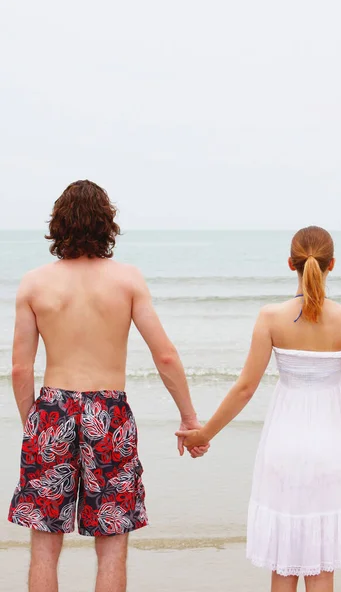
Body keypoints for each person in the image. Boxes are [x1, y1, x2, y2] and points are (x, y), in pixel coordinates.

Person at [8, 180, 207, 592]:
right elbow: (165, 356)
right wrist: (189, 418)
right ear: (107, 226)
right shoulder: (127, 281)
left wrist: (35, 422)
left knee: (45, 545)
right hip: (109, 413)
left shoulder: (34, 283)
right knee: (112, 544)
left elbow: (20, 369)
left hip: (52, 410)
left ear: (58, 225)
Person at [177, 226, 341, 592]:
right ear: (332, 265)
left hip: (282, 447)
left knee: (284, 566)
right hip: (332, 448)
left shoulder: (270, 317)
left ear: (291, 264)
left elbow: (245, 389)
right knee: (321, 568)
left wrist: (204, 434)